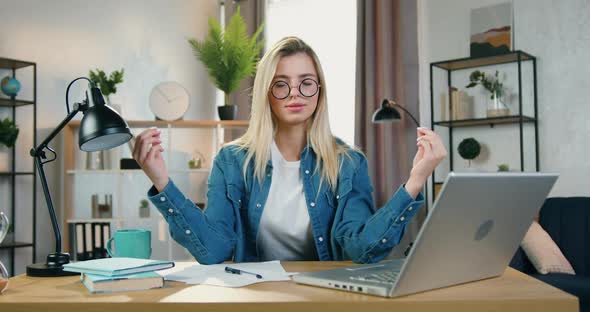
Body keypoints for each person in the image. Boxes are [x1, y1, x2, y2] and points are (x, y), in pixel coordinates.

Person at [132, 37, 447, 264]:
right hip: (255, 297)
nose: (295, 93)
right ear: (267, 93)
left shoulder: (348, 163)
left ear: (319, 91)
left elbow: (362, 249)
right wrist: (163, 183)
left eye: (306, 82)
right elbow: (212, 250)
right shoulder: (232, 161)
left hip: (323, 297)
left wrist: (415, 180)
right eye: (281, 84)